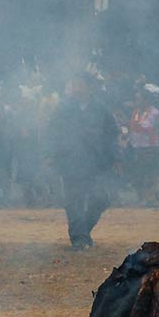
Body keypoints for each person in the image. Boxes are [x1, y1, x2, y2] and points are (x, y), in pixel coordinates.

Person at [48, 73, 118, 249]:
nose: (76, 88)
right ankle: (79, 239)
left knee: (102, 198)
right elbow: (52, 133)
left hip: (97, 162)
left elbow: (111, 136)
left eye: (80, 85)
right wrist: (51, 155)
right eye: (74, 85)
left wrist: (114, 157)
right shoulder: (63, 109)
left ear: (90, 87)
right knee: (74, 200)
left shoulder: (101, 109)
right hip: (70, 161)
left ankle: (83, 230)